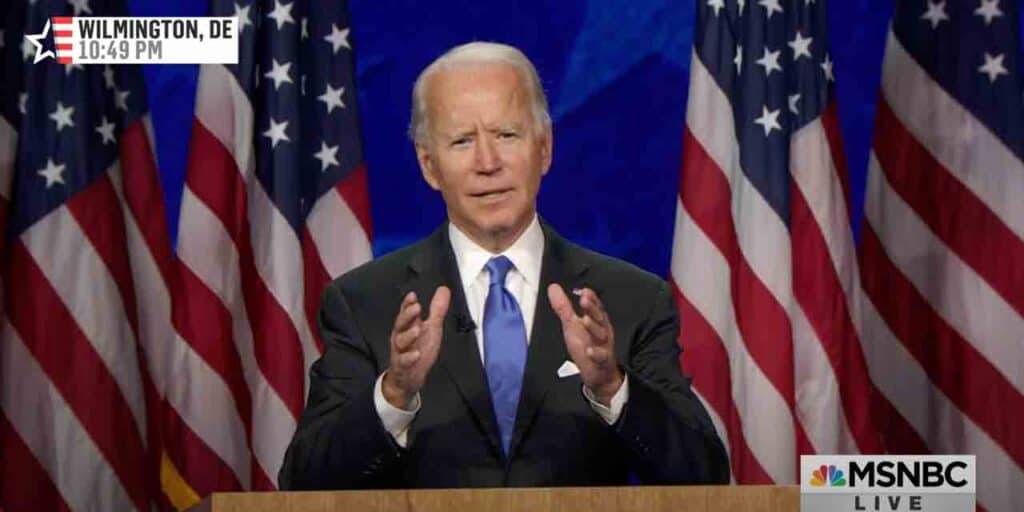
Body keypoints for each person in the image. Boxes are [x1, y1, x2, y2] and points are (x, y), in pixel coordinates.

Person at [278, 42, 729, 489]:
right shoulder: (364, 303)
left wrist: (613, 386)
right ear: (429, 166)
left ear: (545, 149)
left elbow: (702, 473)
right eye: (462, 141)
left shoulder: (631, 299)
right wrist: (393, 394)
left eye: (506, 135)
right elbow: (303, 483)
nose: (487, 163)